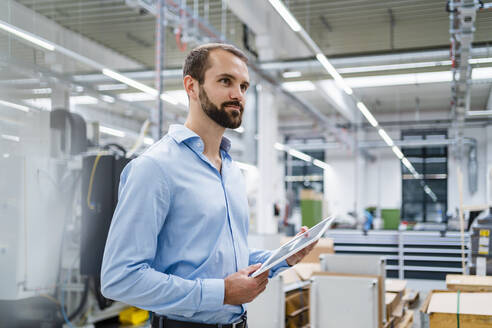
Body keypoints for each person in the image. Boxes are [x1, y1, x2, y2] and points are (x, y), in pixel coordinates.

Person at [100, 43, 315, 328]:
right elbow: (120, 278)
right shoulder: (155, 168)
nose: (237, 94)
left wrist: (282, 258)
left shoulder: (232, 172)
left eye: (243, 86)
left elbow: (222, 258)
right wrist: (222, 293)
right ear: (192, 86)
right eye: (225, 81)